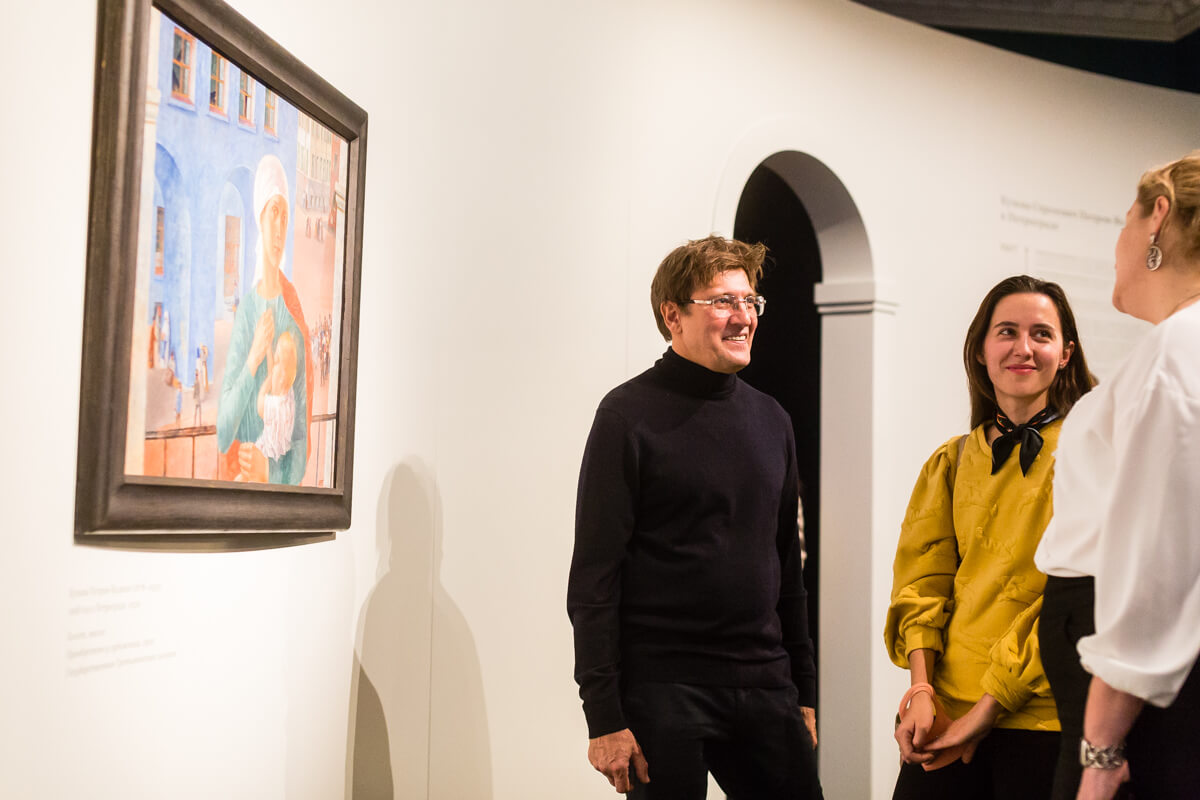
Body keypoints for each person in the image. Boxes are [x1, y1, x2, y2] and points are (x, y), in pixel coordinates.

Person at [567, 235, 822, 799]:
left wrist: (804, 691)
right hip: (662, 688)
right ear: (672, 315)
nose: (743, 316)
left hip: (764, 682)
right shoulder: (626, 416)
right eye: (723, 301)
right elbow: (594, 578)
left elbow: (787, 567)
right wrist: (603, 716)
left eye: (750, 301)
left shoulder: (771, 419)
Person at [884, 275, 1095, 800]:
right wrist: (921, 690)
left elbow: (1073, 602)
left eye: (1041, 334)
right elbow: (921, 584)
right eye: (1007, 332)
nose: (1024, 348)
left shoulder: (1091, 454)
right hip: (946, 712)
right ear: (981, 350)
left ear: (1066, 353)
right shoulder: (952, 460)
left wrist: (989, 706)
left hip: (1043, 717)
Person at [1035, 151, 1200, 800]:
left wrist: (1101, 755)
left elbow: (1159, 561)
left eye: (1124, 220)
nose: (1116, 245)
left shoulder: (1176, 353)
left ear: (1158, 216)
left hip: (1131, 703)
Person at [216, 153, 313, 485]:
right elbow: (224, 431)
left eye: (286, 216)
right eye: (274, 212)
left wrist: (268, 471)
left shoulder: (293, 314)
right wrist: (254, 358)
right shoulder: (246, 313)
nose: (280, 229)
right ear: (260, 217)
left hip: (275, 496)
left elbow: (301, 444)